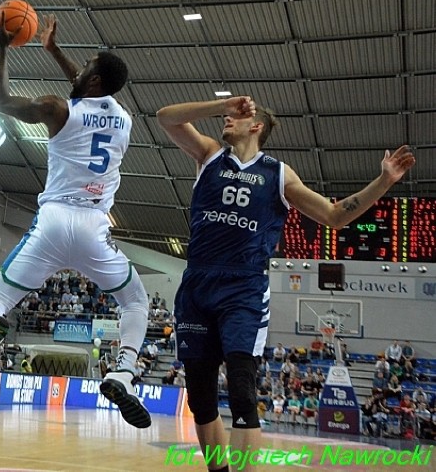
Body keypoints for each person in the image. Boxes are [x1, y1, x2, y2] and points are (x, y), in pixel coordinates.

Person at [156, 96, 415, 471]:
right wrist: (223, 105)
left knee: (243, 391)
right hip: (197, 283)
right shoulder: (210, 154)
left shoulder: (278, 173)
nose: (226, 120)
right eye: (226, 116)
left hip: (242, 288)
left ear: (256, 125)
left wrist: (384, 180)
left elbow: (333, 216)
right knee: (200, 398)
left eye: (235, 117)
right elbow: (166, 117)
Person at [0, 13, 151, 429]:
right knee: (135, 302)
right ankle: (122, 373)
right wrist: (54, 52)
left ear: (94, 81)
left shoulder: (55, 108)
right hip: (96, 228)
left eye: (87, 66)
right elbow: (88, 87)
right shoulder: (125, 119)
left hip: (53, 221)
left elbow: (1, 102)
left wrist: (1, 49)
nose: (79, 69)